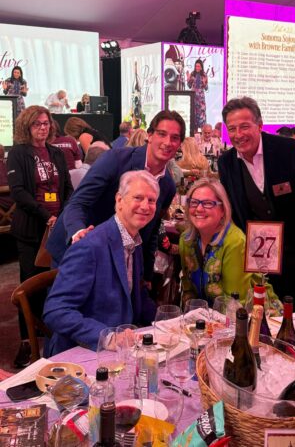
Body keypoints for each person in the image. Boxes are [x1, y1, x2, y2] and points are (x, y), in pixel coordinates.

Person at [217, 97, 295, 311]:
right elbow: (233, 211)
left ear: (260, 125)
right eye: (232, 129)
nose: (238, 134)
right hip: (255, 252)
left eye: (244, 126)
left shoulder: (290, 150)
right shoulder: (226, 163)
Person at [46, 110, 185, 282]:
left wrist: (146, 275)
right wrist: (79, 233)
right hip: (77, 247)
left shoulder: (168, 185)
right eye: (162, 134)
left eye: (174, 138)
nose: (167, 142)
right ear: (149, 135)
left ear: (180, 144)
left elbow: (151, 230)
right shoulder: (115, 159)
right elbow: (77, 202)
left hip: (115, 259)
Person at [43, 171, 158, 354]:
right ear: (119, 200)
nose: (145, 206)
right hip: (84, 351)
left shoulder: (134, 242)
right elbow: (56, 310)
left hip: (123, 348)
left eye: (151, 200)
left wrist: (167, 322)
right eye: (138, 198)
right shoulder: (90, 246)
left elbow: (136, 295)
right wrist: (107, 337)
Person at [7, 106, 73, 367]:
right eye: (37, 124)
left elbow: (67, 188)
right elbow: (18, 192)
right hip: (31, 230)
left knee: (55, 283)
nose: (43, 128)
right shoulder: (18, 153)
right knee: (29, 286)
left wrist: (64, 215)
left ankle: (52, 338)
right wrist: (46, 215)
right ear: (27, 126)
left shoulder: (57, 153)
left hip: (57, 229)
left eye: (46, 123)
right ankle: (28, 342)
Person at [180, 178, 282, 310]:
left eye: (208, 203)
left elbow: (236, 304)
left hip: (256, 316)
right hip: (207, 318)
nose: (199, 209)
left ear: (223, 209)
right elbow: (188, 290)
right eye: (194, 202)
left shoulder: (235, 242)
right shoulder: (186, 240)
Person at [186, 59, 208, 130]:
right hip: (193, 97)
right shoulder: (192, 74)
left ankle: (202, 131)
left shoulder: (204, 75)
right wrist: (188, 79)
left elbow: (206, 88)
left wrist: (204, 83)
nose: (197, 68)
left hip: (201, 99)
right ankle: (194, 131)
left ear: (201, 67)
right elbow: (189, 86)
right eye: (196, 66)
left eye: (198, 66)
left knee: (201, 114)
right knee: (193, 114)